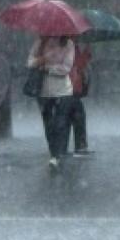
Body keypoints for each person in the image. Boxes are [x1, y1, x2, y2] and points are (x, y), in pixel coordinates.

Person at [27, 36, 76, 170]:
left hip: (63, 91)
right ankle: (54, 153)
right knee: (48, 124)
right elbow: (30, 62)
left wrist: (48, 68)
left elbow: (66, 68)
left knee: (60, 123)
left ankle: (57, 155)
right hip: (43, 91)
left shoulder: (68, 44)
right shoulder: (40, 42)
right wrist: (41, 59)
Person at [68, 40, 93, 155]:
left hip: (63, 91)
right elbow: (79, 64)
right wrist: (87, 52)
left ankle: (60, 148)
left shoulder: (58, 46)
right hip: (72, 90)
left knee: (63, 121)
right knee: (78, 118)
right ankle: (81, 146)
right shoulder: (71, 48)